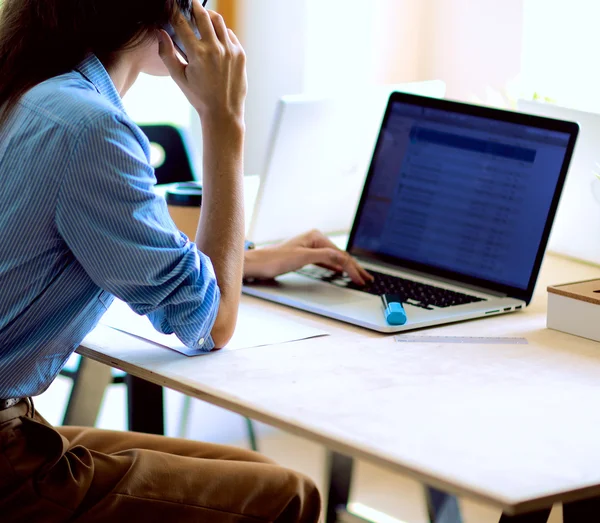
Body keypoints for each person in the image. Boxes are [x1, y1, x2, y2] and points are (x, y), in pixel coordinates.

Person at [0, 0, 371, 520]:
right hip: (7, 463)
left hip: (16, 427)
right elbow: (211, 323)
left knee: (251, 471)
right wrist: (224, 120)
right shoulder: (91, 127)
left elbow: (113, 235)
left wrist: (248, 260)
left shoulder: (34, 90)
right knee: (289, 496)